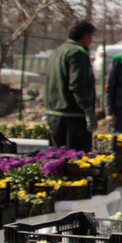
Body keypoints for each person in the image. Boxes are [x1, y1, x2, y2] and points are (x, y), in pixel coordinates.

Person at [44, 20, 98, 152]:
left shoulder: (57, 52)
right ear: (85, 36)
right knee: (76, 159)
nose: (91, 40)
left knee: (57, 158)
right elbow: (77, 85)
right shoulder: (77, 53)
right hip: (72, 117)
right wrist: (87, 109)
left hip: (54, 114)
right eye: (91, 36)